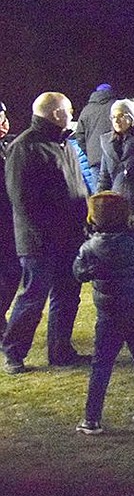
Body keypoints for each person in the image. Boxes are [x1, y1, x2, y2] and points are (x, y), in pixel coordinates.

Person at [2, 92, 90, 374]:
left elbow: (76, 186)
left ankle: (61, 350)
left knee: (67, 295)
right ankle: (14, 352)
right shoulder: (24, 147)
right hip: (40, 242)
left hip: (71, 237)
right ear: (55, 114)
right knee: (33, 297)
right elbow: (21, 199)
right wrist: (40, 237)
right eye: (69, 109)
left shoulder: (65, 144)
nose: (72, 113)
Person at [73, 192, 134, 435]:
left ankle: (92, 419)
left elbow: (79, 273)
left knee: (101, 364)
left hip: (110, 315)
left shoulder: (91, 247)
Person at [97, 98, 134, 202]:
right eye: (113, 117)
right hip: (116, 201)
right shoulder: (107, 143)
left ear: (132, 117)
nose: (116, 121)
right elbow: (104, 176)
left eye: (121, 116)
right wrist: (99, 200)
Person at [0, 102, 21, 345]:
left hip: (9, 220)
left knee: (12, 272)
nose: (4, 123)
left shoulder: (9, 145)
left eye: (4, 117)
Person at [73, 83, 120, 178]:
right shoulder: (117, 106)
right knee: (118, 191)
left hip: (95, 159)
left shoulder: (86, 110)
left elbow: (79, 137)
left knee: (99, 191)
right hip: (115, 157)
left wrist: (90, 152)